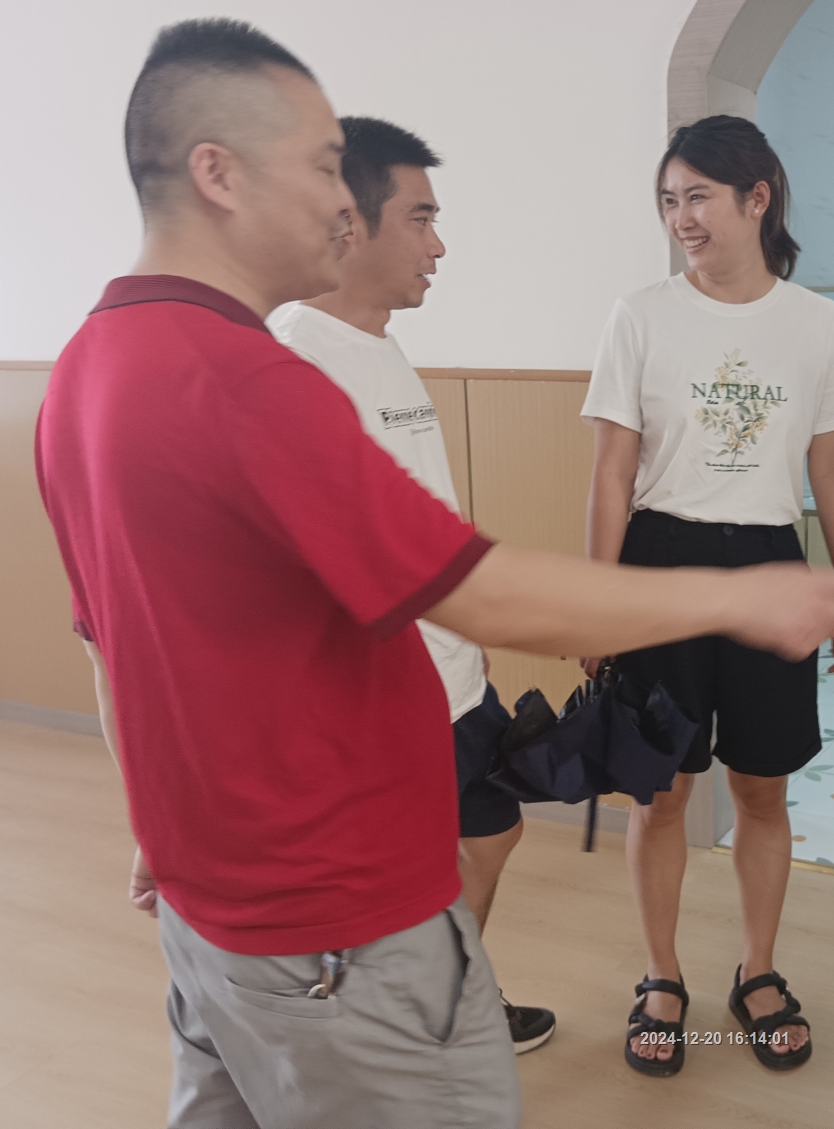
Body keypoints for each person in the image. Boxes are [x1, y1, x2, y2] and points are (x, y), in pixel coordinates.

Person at [36, 22, 834, 1129]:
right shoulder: (257, 380)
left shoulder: (85, 366)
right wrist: (742, 595)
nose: (344, 202)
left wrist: (159, 818)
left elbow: (113, 643)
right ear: (219, 172)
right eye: (324, 166)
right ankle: (645, 976)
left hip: (223, 903)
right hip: (335, 906)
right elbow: (470, 585)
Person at [580, 115, 834, 1076]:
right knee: (661, 792)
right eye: (670, 201)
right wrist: (598, 599)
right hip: (660, 558)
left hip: (769, 561)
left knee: (763, 785)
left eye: (698, 197)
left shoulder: (817, 323)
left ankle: (758, 969)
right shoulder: (640, 315)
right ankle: (661, 976)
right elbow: (612, 472)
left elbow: (833, 466)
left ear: (758, 197)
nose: (682, 219)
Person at [269, 116, 554, 1054]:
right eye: (422, 219)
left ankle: (447, 1001)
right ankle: (400, 1036)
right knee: (397, 889)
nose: (439, 245)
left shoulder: (377, 346)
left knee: (492, 834)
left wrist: (469, 636)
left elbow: (422, 527)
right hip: (381, 702)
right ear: (350, 223)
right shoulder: (294, 359)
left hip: (452, 678)